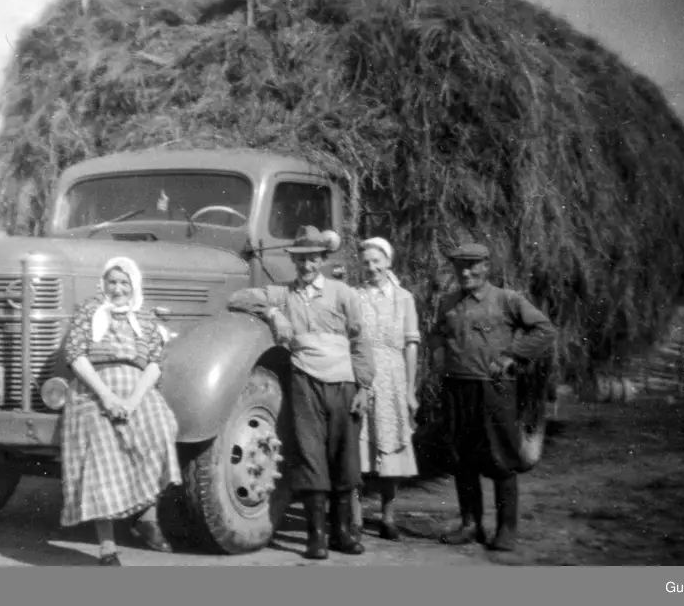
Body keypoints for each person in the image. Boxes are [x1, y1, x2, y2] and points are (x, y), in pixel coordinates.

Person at [227, 226, 374, 560]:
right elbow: (237, 299)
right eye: (301, 260)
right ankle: (316, 538)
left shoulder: (342, 294)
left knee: (344, 458)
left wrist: (364, 386)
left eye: (313, 259)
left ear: (323, 260)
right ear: (295, 262)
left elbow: (361, 341)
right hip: (305, 383)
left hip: (344, 384)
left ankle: (343, 534)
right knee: (311, 457)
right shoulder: (286, 294)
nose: (307, 266)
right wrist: (274, 312)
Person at [427, 243, 556, 553]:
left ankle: (506, 530)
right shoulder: (447, 302)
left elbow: (543, 329)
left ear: (486, 266)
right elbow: (436, 334)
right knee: (461, 458)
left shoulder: (507, 300)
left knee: (501, 459)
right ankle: (470, 525)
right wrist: (439, 355)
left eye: (472, 265)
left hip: (493, 390)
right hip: (457, 389)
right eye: (459, 266)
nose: (465, 272)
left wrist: (513, 356)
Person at [59, 256, 182, 567]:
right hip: (94, 391)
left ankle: (145, 514)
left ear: (133, 285)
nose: (117, 289)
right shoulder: (90, 312)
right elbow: (75, 355)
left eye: (123, 282)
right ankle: (107, 545)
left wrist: (132, 401)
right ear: (103, 284)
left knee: (160, 428)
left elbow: (155, 363)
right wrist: (108, 397)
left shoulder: (144, 317)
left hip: (136, 391)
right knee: (101, 449)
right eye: (112, 282)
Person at [351, 237, 421, 541]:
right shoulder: (354, 296)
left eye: (376, 261)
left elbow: (411, 345)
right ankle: (353, 518)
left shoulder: (404, 298)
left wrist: (409, 389)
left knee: (390, 447)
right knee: (357, 447)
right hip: (361, 376)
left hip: (392, 377)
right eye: (366, 262)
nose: (371, 267)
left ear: (388, 262)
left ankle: (388, 517)